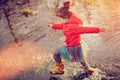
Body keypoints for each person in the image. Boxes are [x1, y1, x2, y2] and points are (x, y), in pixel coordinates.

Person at [48, 1, 105, 75]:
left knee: (56, 53)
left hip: (72, 47)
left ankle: (60, 69)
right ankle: (88, 69)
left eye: (61, 19)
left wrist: (98, 29)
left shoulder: (73, 27)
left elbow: (86, 29)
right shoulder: (70, 21)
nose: (60, 21)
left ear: (66, 18)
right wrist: (53, 26)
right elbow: (62, 26)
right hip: (78, 45)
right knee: (81, 58)